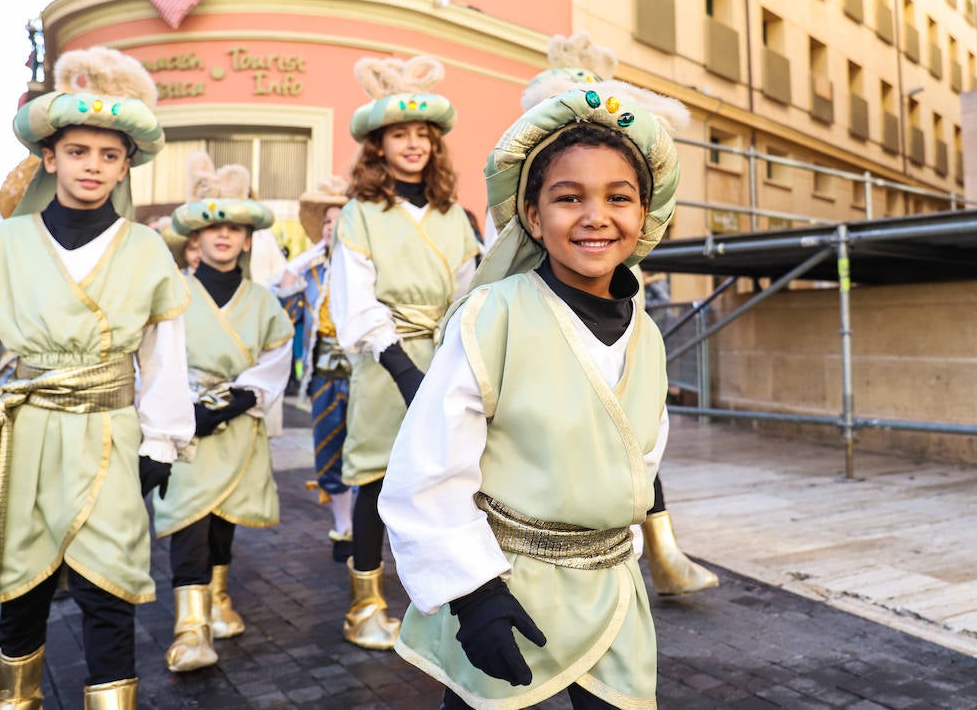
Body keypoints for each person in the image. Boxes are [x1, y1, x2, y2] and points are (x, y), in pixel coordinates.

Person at [380, 77, 687, 709]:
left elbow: (641, 452)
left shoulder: (649, 334)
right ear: (533, 216)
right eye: (569, 197)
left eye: (619, 198)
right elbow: (428, 467)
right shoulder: (494, 315)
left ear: (645, 212)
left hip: (613, 590)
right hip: (507, 581)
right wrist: (474, 596)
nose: (596, 216)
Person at [0, 46, 194, 709]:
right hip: (26, 439)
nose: (92, 166)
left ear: (126, 166)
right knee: (21, 590)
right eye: (78, 151)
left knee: (109, 594)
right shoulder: (3, 245)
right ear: (49, 158)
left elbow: (164, 356)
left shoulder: (148, 251)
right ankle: (17, 701)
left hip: (110, 437)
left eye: (108, 155)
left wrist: (161, 443)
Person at [518, 33, 718, 598]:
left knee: (633, 426)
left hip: (610, 313)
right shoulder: (522, 215)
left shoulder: (617, 215)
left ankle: (657, 550)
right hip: (543, 322)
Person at [329, 54, 480, 650]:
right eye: (400, 134)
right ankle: (365, 608)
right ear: (378, 145)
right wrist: (401, 369)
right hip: (385, 365)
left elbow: (474, 296)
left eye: (423, 134)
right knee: (376, 479)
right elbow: (355, 302)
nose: (413, 144)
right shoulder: (359, 215)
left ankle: (444, 597)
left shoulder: (456, 217)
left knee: (450, 478)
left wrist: (459, 362)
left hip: (448, 361)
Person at [152, 154, 293, 673]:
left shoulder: (263, 301)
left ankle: (218, 599)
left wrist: (239, 399)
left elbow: (279, 352)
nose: (224, 236)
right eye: (214, 227)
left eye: (234, 227)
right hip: (184, 420)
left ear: (248, 238)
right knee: (187, 518)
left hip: (235, 422)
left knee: (222, 521)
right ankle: (190, 629)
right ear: (197, 238)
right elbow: (155, 353)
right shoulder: (173, 292)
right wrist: (179, 409)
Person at [279, 176, 355, 562]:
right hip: (324, 376)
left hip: (365, 377)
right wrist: (301, 263)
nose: (333, 228)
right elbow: (284, 313)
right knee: (329, 454)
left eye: (341, 220)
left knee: (367, 455)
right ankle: (343, 528)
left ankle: (365, 530)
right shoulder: (309, 271)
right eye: (327, 222)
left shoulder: (367, 271)